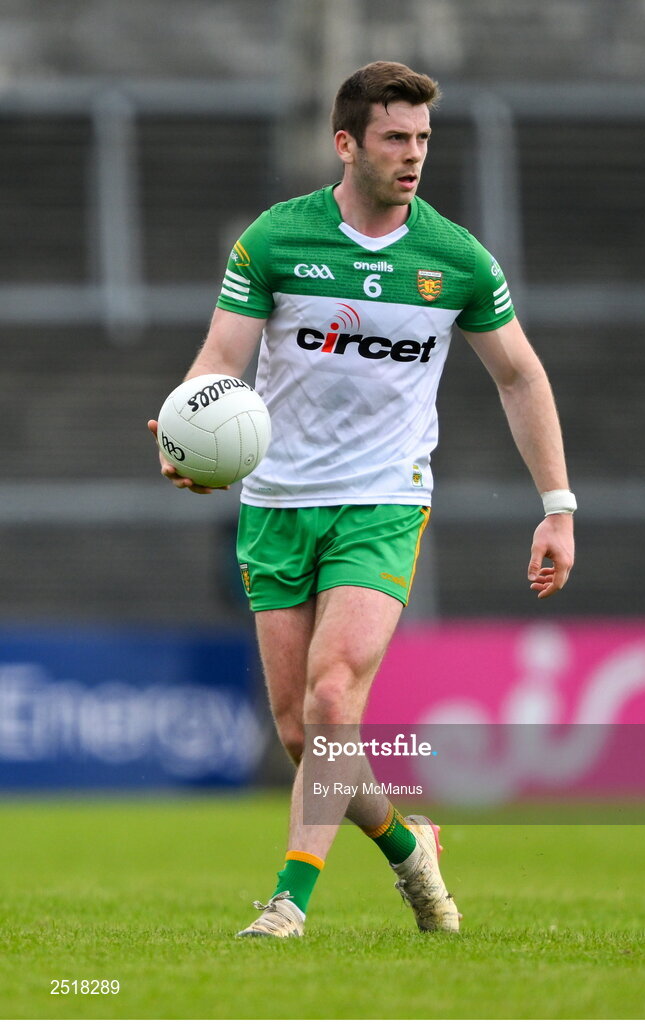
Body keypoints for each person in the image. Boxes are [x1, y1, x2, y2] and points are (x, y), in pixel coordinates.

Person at [148, 61, 575, 938]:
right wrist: (185, 427)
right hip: (275, 502)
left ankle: (286, 905)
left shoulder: (454, 259)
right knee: (307, 735)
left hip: (382, 500)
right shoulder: (275, 239)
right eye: (394, 137)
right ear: (346, 143)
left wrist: (557, 505)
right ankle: (409, 849)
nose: (413, 154)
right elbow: (221, 360)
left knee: (335, 701)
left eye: (421, 138)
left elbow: (519, 375)